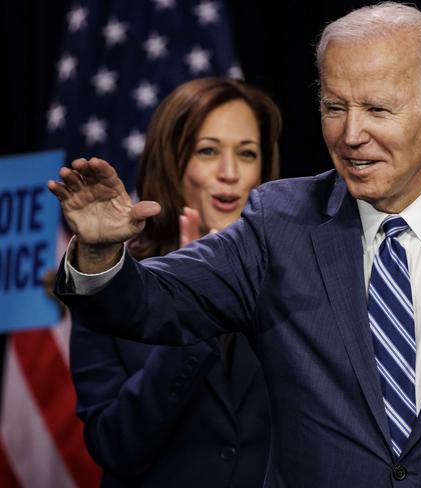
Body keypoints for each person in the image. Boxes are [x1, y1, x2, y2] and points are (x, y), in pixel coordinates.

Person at [50, 3, 421, 487]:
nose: (350, 134)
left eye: (376, 109)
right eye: (334, 107)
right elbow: (151, 302)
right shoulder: (279, 222)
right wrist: (101, 255)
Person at [67, 77, 281, 487]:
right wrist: (193, 299)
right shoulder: (113, 288)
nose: (230, 173)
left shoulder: (297, 277)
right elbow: (115, 448)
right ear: (172, 163)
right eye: (208, 151)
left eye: (247, 153)